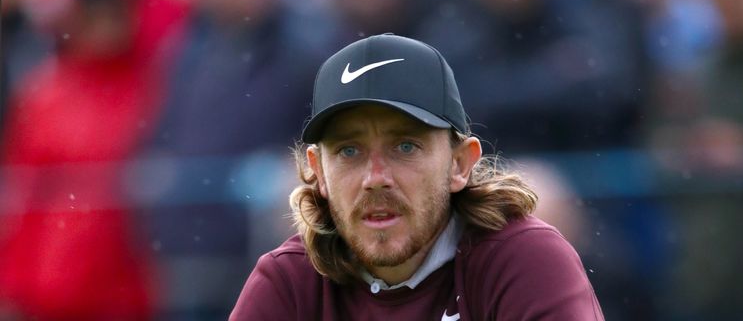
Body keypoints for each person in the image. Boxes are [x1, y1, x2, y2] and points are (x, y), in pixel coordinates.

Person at [230, 33, 604, 320]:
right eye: (349, 151)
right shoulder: (289, 282)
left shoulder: (525, 260)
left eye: (405, 147)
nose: (375, 178)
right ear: (319, 172)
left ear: (460, 163)